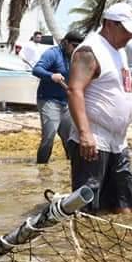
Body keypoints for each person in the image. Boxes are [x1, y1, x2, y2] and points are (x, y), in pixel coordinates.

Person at [66, 3, 132, 214]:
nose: (129, 36)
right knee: (88, 208)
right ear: (109, 24)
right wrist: (85, 134)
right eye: (126, 31)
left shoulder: (119, 51)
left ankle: (120, 244)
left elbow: (122, 80)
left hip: (118, 141)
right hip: (94, 140)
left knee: (125, 206)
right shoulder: (89, 51)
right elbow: (74, 90)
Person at [32, 30, 84, 164]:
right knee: (49, 136)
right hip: (49, 100)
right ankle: (42, 167)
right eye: (74, 45)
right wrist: (51, 76)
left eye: (79, 46)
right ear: (66, 42)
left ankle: (70, 167)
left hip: (67, 102)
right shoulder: (52, 53)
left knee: (70, 139)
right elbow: (36, 69)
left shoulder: (76, 56)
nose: (76, 49)